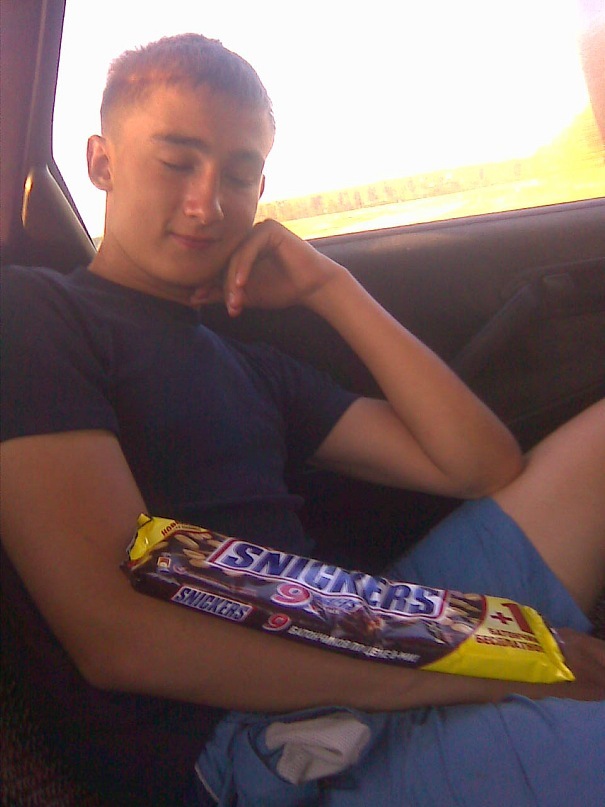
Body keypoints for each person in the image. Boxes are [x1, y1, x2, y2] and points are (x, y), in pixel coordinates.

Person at [1, 33, 603, 807]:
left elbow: (481, 465)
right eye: (176, 161)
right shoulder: (36, 314)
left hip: (344, 620)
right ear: (102, 162)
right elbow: (115, 636)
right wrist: (477, 665)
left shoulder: (249, 363)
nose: (208, 204)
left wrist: (331, 288)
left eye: (238, 174)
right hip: (247, 742)